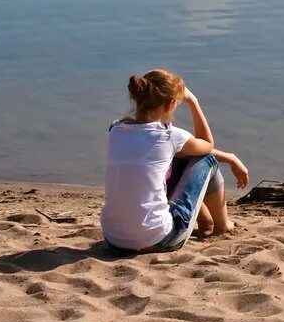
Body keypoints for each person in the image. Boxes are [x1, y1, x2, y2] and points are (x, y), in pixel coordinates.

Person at [101, 69, 250, 253]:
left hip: (114, 240)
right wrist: (193, 101)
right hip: (161, 240)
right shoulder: (170, 136)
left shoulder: (116, 130)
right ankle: (223, 225)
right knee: (207, 159)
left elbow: (179, 153)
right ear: (171, 103)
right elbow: (207, 145)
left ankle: (205, 222)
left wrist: (230, 158)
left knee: (177, 161)